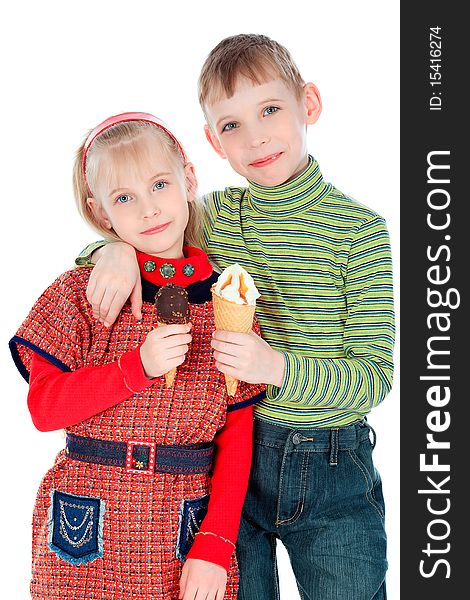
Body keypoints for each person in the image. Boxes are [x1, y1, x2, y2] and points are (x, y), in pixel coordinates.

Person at [75, 34, 395, 600]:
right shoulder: (213, 217)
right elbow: (145, 231)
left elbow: (374, 378)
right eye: (231, 125)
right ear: (211, 142)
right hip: (227, 465)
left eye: (270, 109)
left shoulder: (358, 230)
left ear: (309, 104)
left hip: (334, 466)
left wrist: (277, 367)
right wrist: (113, 251)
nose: (256, 137)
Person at [9, 112, 265, 600]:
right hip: (85, 520)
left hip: (182, 527)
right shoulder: (80, 294)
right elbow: (43, 409)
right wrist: (137, 368)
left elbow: (236, 438)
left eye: (160, 184)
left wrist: (214, 544)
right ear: (102, 213)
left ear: (189, 180)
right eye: (124, 198)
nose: (149, 210)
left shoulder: (229, 303)